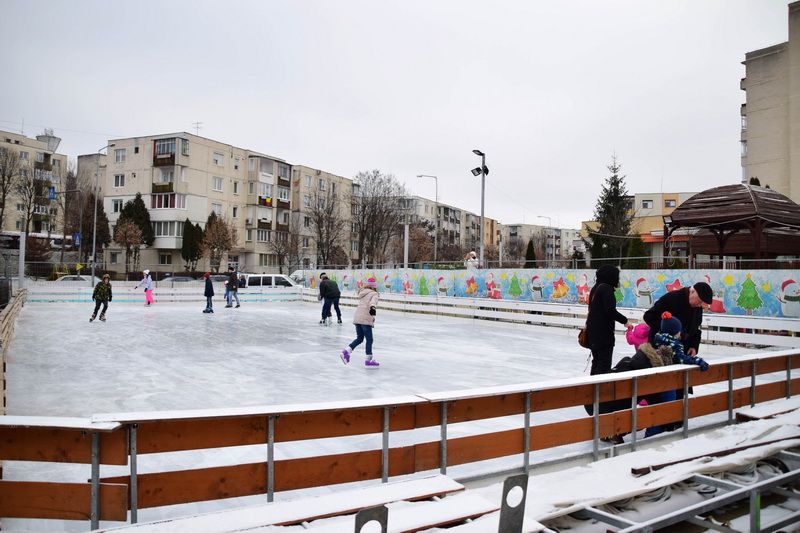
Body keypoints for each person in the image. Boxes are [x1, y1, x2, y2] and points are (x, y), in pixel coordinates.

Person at [643, 282, 713, 357]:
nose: (700, 305)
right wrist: (671, 331)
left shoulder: (697, 307)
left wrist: (694, 346)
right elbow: (649, 316)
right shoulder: (672, 297)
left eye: (702, 303)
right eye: (699, 301)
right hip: (660, 351)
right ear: (692, 292)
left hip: (682, 353)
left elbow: (696, 329)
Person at [585, 265, 633, 375]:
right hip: (603, 334)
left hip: (593, 333)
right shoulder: (606, 289)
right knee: (603, 365)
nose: (618, 279)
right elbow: (610, 311)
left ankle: (593, 388)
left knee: (596, 361)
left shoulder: (596, 287)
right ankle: (600, 390)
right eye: (617, 276)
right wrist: (625, 321)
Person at [340, 277, 380, 368]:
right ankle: (368, 361)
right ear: (374, 286)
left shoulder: (363, 293)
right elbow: (373, 302)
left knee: (360, 338)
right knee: (369, 340)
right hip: (365, 319)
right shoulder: (374, 294)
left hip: (357, 318)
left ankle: (346, 352)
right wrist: (373, 308)